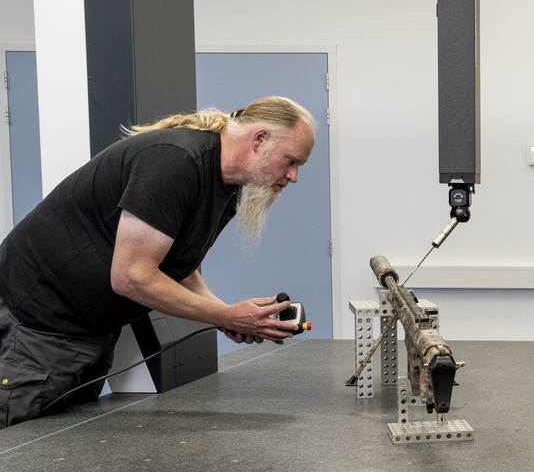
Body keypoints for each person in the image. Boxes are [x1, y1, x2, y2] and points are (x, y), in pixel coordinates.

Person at [0, 96, 317, 428]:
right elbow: (131, 276)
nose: (293, 176)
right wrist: (224, 315)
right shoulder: (176, 162)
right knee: (22, 447)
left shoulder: (226, 187)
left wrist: (226, 315)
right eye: (291, 161)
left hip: (88, 333)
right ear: (260, 139)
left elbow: (177, 262)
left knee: (65, 439)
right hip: (38, 326)